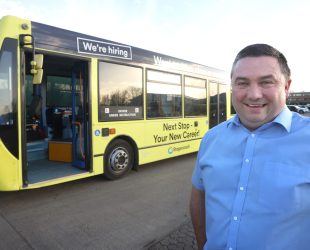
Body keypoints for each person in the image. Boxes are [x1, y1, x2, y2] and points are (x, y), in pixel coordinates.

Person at [190, 44, 310, 250]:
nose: (254, 94)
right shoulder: (211, 139)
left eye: (266, 82)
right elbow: (198, 195)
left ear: (287, 87)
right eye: (242, 83)